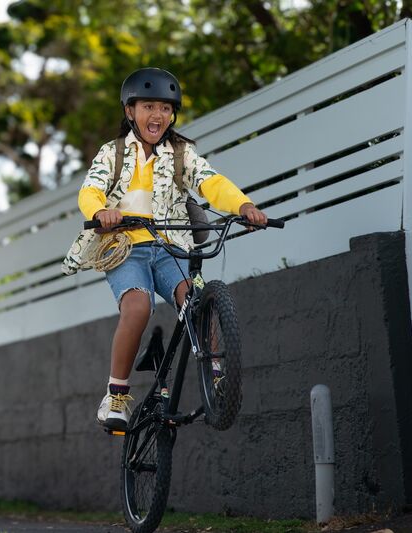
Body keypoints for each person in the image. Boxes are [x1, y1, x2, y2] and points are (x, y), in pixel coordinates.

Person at [61, 67, 267, 431]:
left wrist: (243, 206)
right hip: (127, 248)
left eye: (166, 109)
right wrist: (100, 211)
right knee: (137, 306)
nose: (158, 116)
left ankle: (219, 376)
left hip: (171, 246)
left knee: (197, 298)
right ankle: (117, 395)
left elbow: (210, 182)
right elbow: (90, 188)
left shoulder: (181, 154)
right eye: (149, 107)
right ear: (130, 111)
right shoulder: (114, 153)